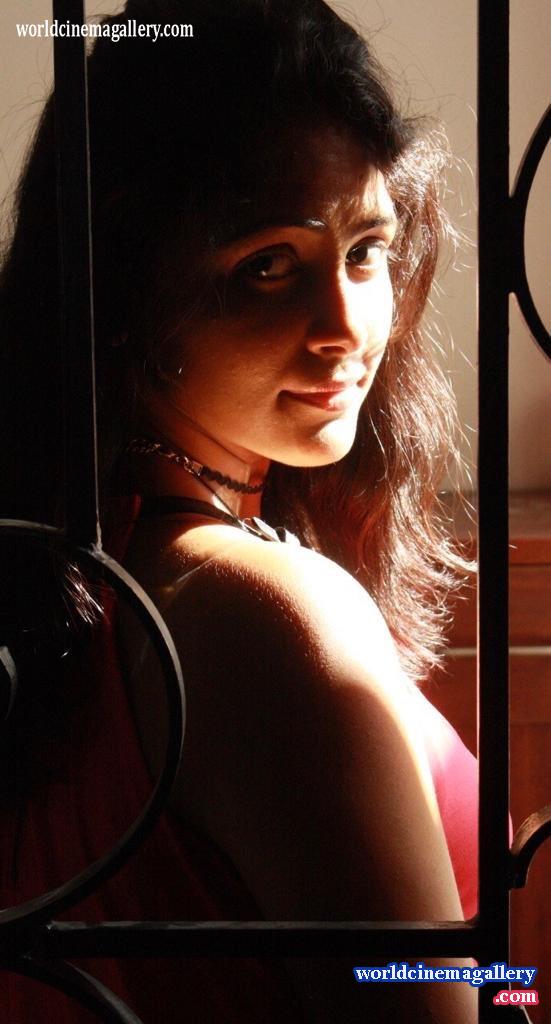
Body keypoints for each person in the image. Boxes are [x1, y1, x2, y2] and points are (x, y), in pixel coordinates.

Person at [0, 1, 479, 1020]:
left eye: (366, 248)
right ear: (125, 285)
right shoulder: (264, 614)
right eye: (268, 264)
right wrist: (517, 968)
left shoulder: (76, 576)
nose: (347, 325)